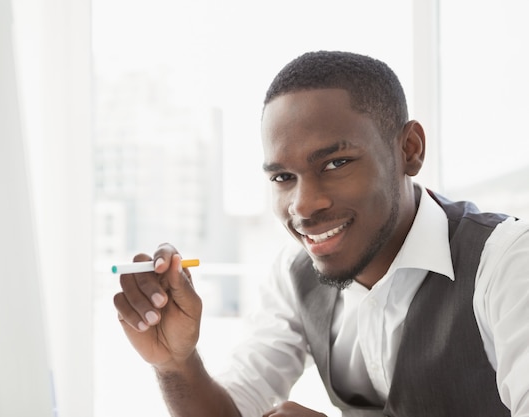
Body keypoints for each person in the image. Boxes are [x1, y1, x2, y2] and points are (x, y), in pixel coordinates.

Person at [113, 51, 529, 417]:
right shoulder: (294, 277)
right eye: (282, 176)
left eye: (335, 164)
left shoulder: (508, 261)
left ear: (409, 150)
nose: (303, 205)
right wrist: (176, 364)